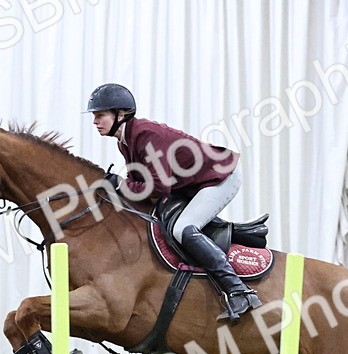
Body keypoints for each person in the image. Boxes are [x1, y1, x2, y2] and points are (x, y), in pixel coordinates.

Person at [86, 83, 262, 324]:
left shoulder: (145, 135)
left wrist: (119, 185)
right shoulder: (125, 141)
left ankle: (239, 291)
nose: (95, 121)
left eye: (100, 115)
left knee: (182, 229)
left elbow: (157, 188)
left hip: (220, 176)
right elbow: (138, 180)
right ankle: (245, 234)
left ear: (120, 115)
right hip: (192, 183)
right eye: (95, 116)